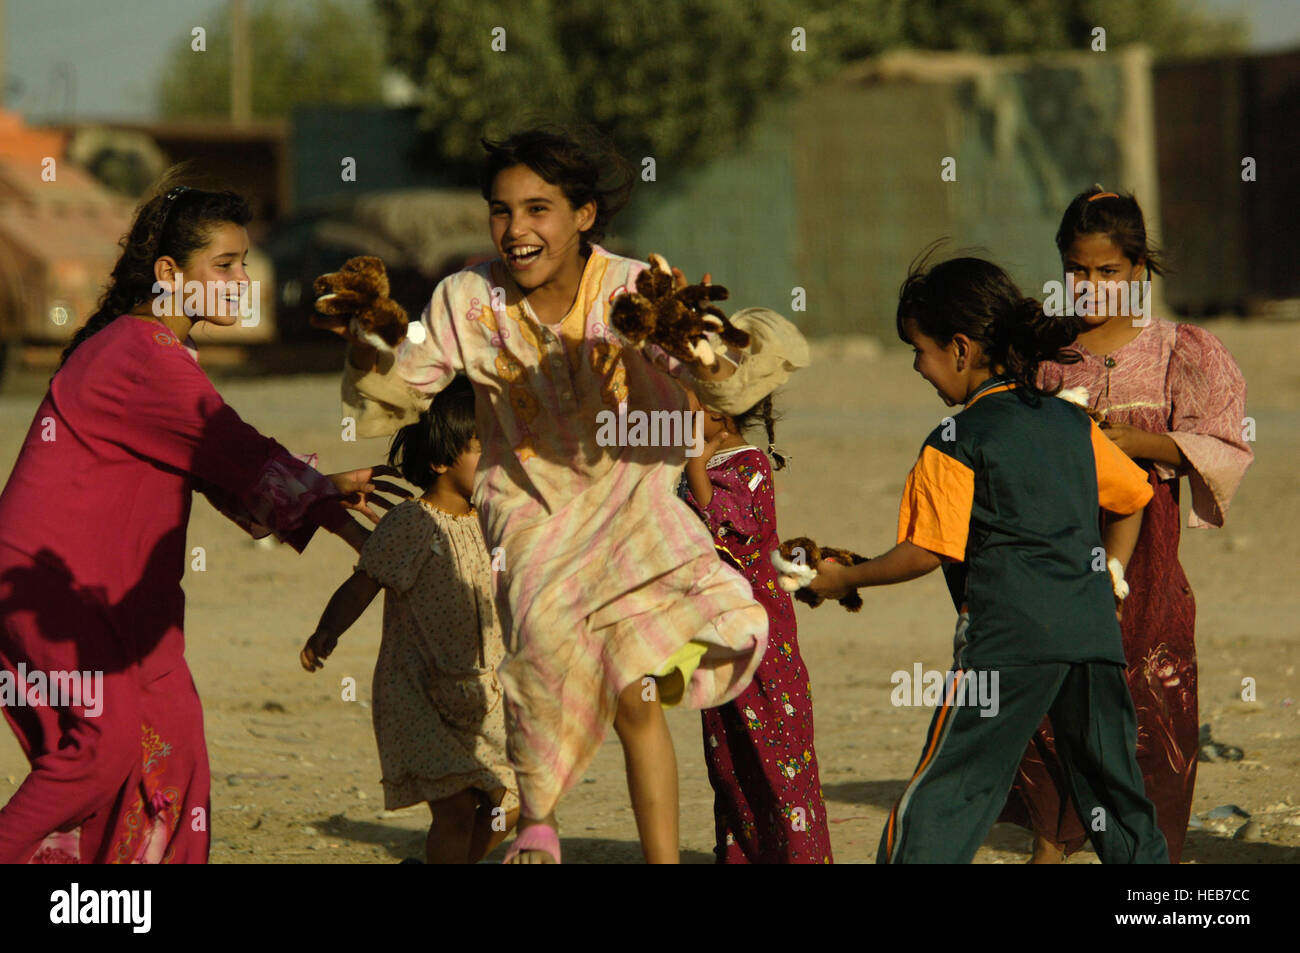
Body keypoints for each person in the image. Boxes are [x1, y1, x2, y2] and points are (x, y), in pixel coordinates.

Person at [331, 126, 811, 863]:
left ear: (583, 213)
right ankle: (538, 824)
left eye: (538, 209)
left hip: (632, 511)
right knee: (540, 672)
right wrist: (370, 342)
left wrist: (695, 344)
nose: (517, 229)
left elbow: (711, 372)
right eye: (502, 210)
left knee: (638, 698)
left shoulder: (629, 289)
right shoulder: (467, 298)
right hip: (531, 519)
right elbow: (402, 386)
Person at [0, 179, 397, 864]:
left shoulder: (157, 350)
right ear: (168, 274)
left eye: (246, 261)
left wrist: (325, 489)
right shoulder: (141, 351)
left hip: (117, 601)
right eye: (226, 265)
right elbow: (233, 449)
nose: (243, 280)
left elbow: (219, 464)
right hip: (47, 592)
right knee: (102, 749)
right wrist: (331, 513)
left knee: (174, 740)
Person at [810, 253, 1169, 864]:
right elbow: (1134, 497)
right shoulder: (1068, 421)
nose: (917, 368)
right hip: (1091, 636)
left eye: (917, 350)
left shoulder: (957, 438)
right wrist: (1109, 571)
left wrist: (844, 576)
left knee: (951, 786)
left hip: (1007, 641)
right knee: (1114, 790)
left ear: (958, 348)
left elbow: (927, 550)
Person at [1000, 188, 1253, 864]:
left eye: (1107, 271)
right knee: (1052, 703)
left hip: (1148, 569)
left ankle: (1145, 859)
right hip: (1055, 558)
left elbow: (1221, 444)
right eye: (1076, 269)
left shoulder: (1180, 351)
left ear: (1139, 268)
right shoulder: (1043, 352)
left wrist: (1138, 444)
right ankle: (1048, 848)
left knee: (1150, 705)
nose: (1089, 286)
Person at [300, 377, 521, 863]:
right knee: (456, 811)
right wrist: (326, 632)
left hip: (486, 695)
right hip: (419, 693)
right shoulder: (412, 524)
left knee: (512, 805)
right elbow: (362, 583)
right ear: (441, 461)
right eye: (483, 449)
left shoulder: (496, 520)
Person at [679, 381, 833, 864]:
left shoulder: (749, 465)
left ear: (721, 415)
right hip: (715, 633)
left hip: (759, 638)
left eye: (688, 407)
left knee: (779, 761)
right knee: (729, 761)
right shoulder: (700, 464)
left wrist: (692, 461)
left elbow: (724, 527)